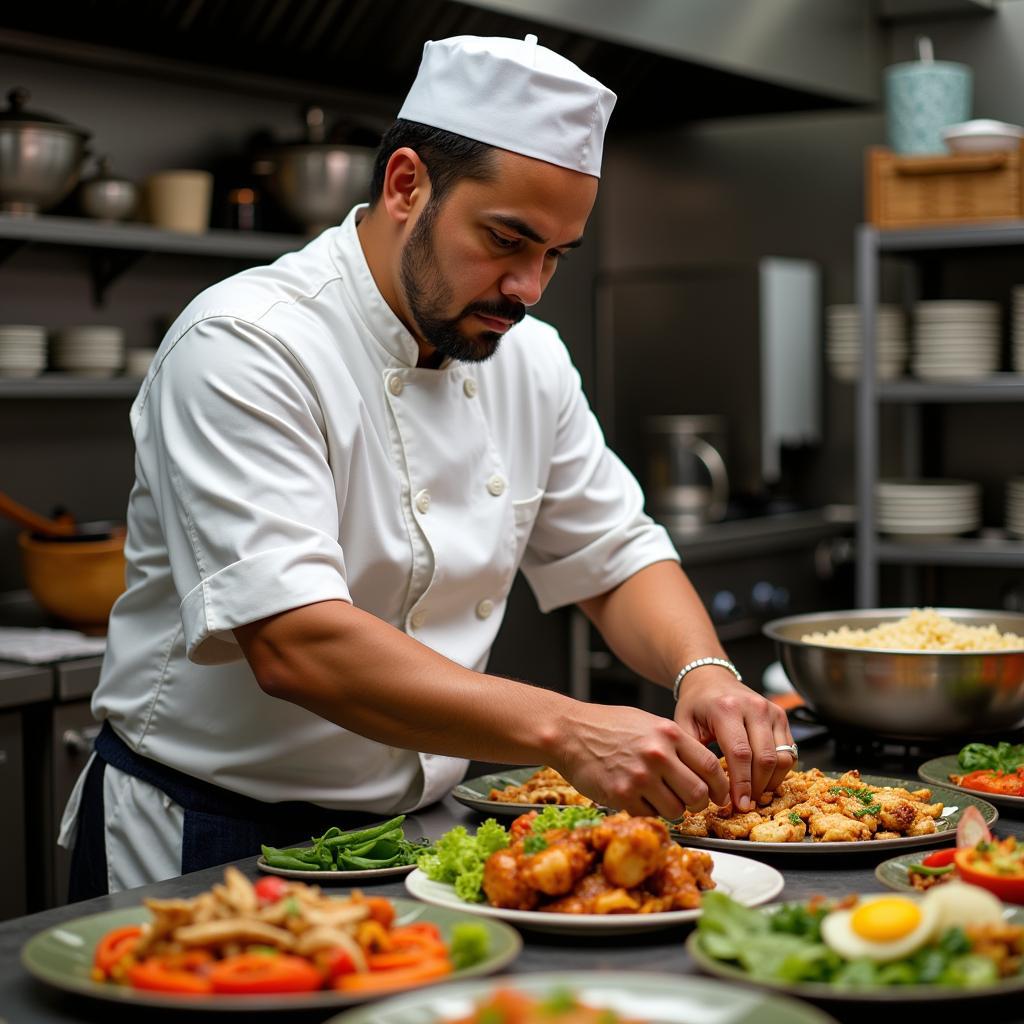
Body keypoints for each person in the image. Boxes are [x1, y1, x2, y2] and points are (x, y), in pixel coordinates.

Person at [60, 33, 796, 898]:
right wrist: (566, 729)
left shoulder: (531, 360)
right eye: (506, 240)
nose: (528, 288)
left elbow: (615, 552)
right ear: (406, 184)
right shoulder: (249, 343)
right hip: (213, 834)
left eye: (555, 255)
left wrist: (702, 670)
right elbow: (298, 644)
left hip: (410, 840)